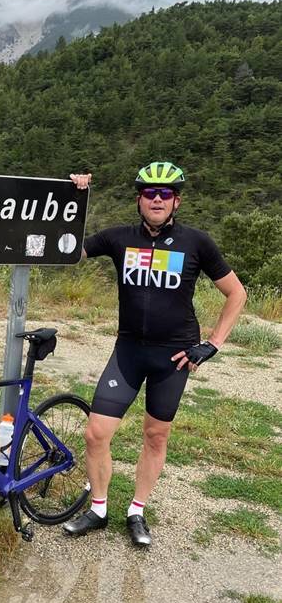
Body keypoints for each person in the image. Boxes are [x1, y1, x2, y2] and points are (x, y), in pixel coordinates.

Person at [64, 162, 247, 547]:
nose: (158, 199)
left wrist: (212, 343)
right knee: (96, 433)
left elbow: (236, 294)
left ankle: (136, 510)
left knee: (155, 436)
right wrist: (76, 198)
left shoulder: (197, 242)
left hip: (172, 356)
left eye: (166, 194)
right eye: (150, 193)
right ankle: (98, 509)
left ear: (176, 201)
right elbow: (71, 250)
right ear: (139, 200)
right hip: (128, 350)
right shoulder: (119, 238)